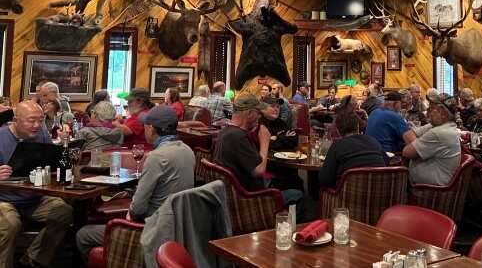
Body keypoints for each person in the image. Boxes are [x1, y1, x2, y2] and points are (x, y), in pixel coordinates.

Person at [76, 105, 195, 264]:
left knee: (83, 234)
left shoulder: (157, 157)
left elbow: (138, 208)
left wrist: (131, 213)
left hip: (151, 230)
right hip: (178, 228)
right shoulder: (188, 151)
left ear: (151, 129)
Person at [0, 101, 74, 268]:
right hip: (4, 199)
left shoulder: (43, 135)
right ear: (16, 120)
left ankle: (33, 258)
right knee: (10, 223)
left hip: (34, 198)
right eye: (31, 121)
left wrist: (64, 144)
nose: (37, 125)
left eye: (41, 120)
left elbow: (54, 165)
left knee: (64, 212)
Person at [213, 94, 305, 222]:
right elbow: (258, 171)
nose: (260, 116)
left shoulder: (225, 132)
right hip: (251, 199)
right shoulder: (238, 137)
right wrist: (265, 142)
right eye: (258, 112)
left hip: (234, 196)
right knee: (298, 195)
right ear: (250, 113)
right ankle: (287, 235)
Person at [319, 110, 389, 189]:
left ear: (338, 130)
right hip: (380, 193)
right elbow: (386, 161)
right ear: (357, 127)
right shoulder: (373, 141)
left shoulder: (337, 146)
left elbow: (325, 180)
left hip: (348, 197)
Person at [403, 93, 461, 186]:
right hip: (425, 186)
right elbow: (407, 134)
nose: (427, 109)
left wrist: (416, 152)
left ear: (444, 114)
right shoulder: (435, 126)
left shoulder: (440, 132)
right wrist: (418, 152)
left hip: (431, 192)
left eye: (432, 107)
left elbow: (406, 152)